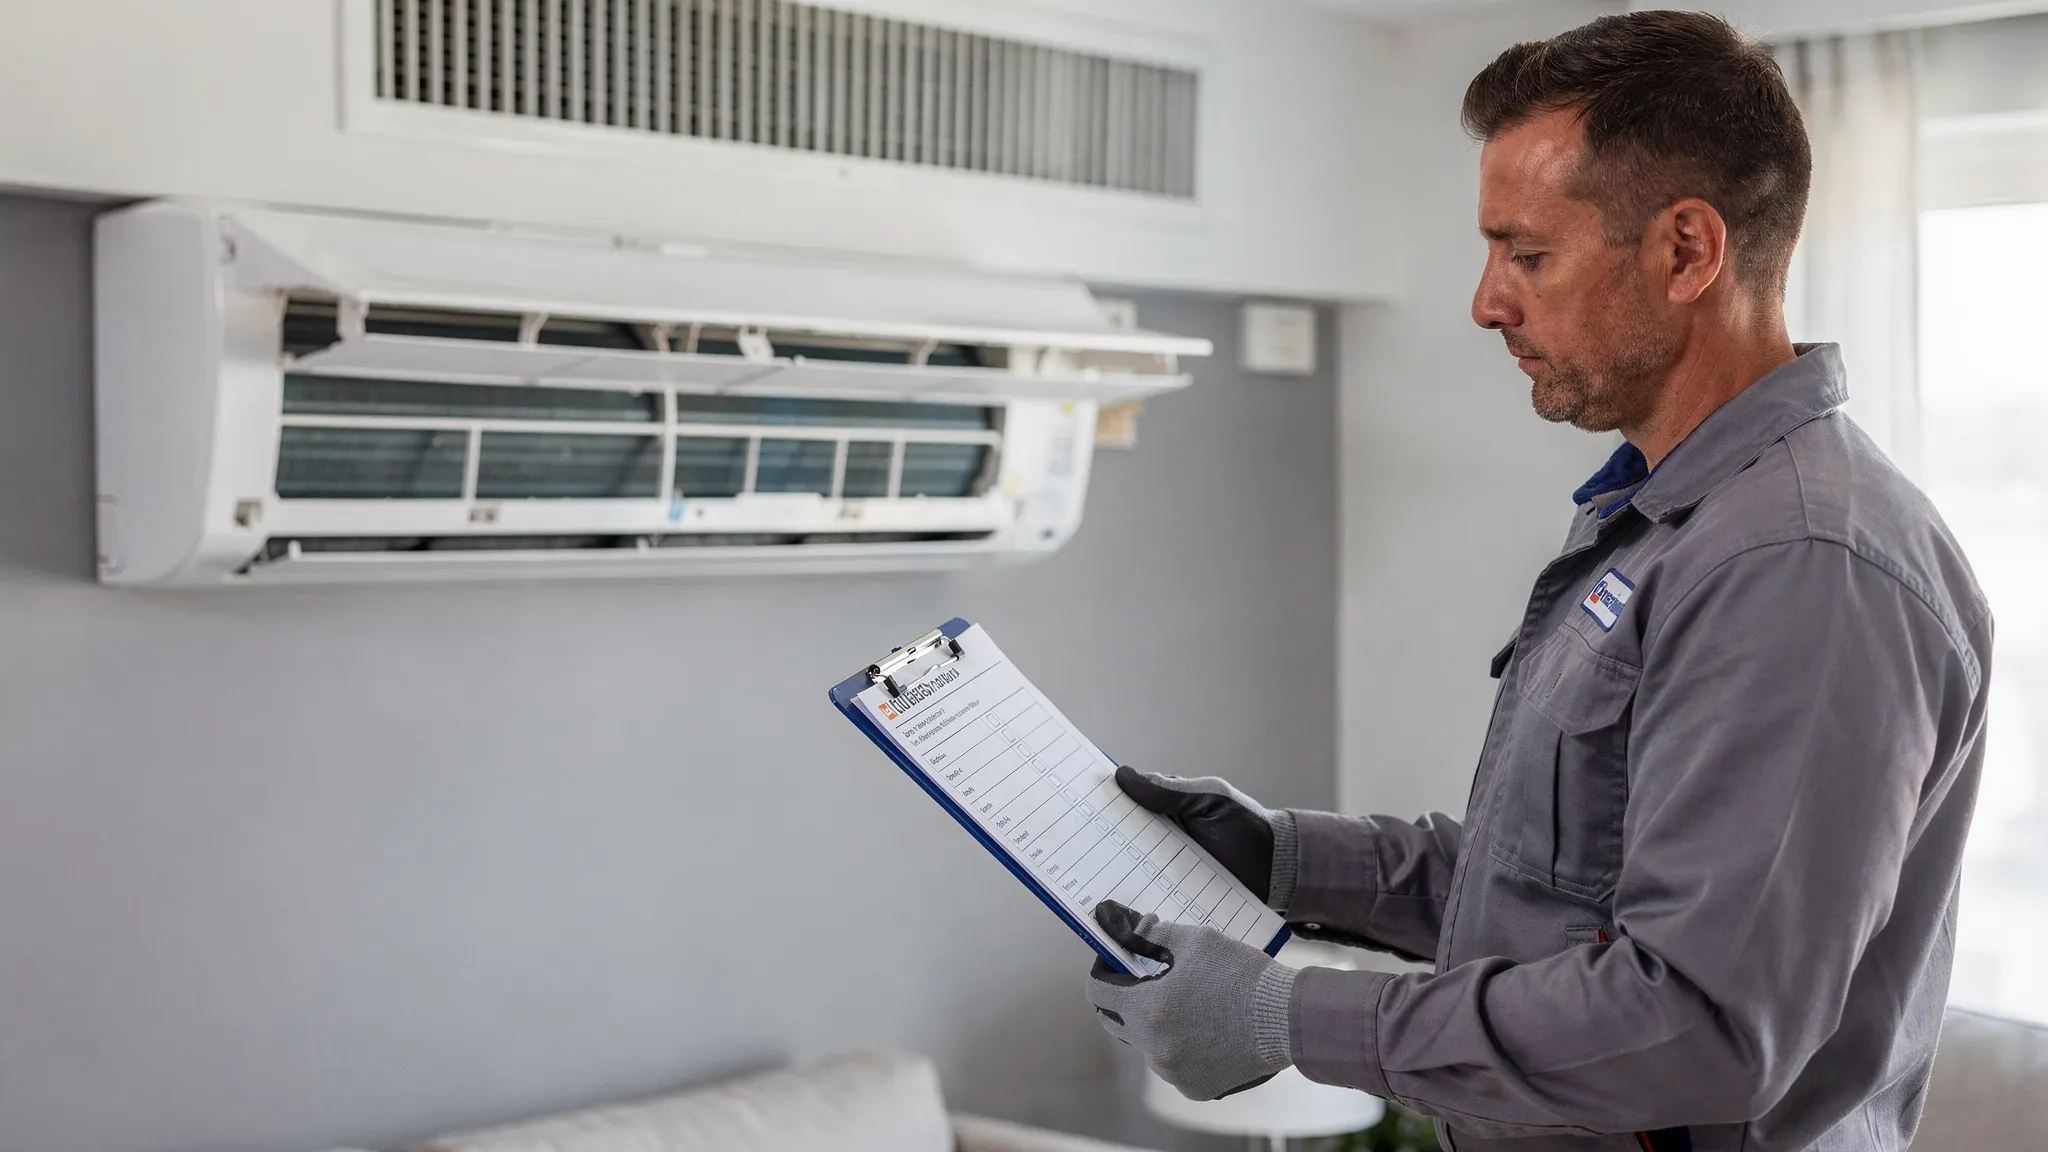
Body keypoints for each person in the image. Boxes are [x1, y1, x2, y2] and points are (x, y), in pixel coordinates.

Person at [1082, 12, 1993, 1152]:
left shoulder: (1796, 564)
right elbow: (1567, 892)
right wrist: (1285, 857)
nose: (1485, 301)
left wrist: (1285, 1016)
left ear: (1685, 251)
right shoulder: (1666, 521)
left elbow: (1694, 1028)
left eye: (1525, 253)